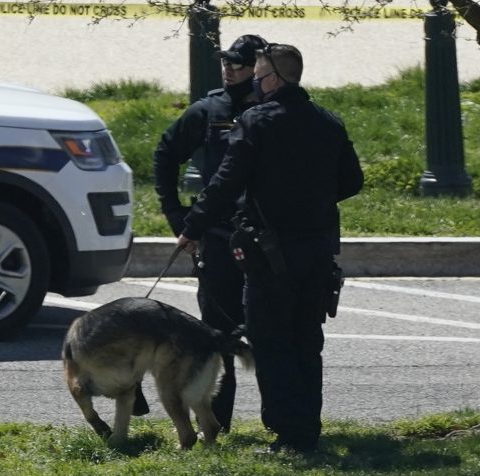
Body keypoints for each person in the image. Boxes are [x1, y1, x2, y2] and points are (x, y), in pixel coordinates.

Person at [178, 43, 363, 453]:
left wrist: (193, 227)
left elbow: (225, 183)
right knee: (306, 338)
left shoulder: (256, 122)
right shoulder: (328, 122)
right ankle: (307, 428)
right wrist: (311, 197)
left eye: (260, 78)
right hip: (317, 250)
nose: (257, 86)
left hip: (269, 252)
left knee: (270, 339)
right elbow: (352, 181)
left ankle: (288, 432)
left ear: (275, 79)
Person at [152, 32, 269, 430]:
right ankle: (217, 424)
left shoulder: (274, 107)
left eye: (240, 64)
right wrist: (179, 219)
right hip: (218, 240)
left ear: (260, 68)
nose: (230, 70)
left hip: (268, 238)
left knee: (270, 331)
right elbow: (165, 155)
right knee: (219, 335)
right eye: (226, 63)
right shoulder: (208, 110)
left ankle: (283, 424)